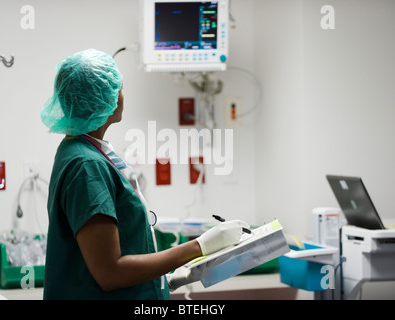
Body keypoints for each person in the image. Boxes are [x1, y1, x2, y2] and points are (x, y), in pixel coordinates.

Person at [41, 48, 249, 300]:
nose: (121, 95)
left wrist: (162, 279)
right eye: (118, 88)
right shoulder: (87, 166)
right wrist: (199, 246)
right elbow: (110, 274)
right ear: (105, 98)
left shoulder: (79, 150)